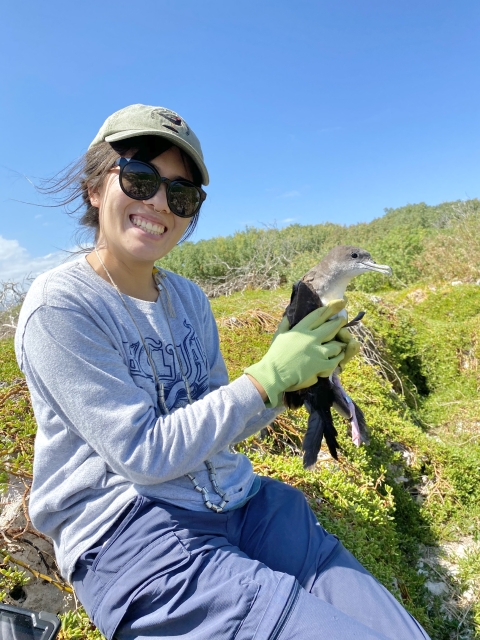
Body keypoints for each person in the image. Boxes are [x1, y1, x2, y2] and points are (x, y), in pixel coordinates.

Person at [15, 104, 430, 640]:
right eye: (140, 179)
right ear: (95, 187)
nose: (160, 203)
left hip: (243, 501)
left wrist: (296, 379)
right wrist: (266, 377)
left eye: (182, 194)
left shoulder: (188, 299)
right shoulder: (61, 308)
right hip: (135, 534)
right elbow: (144, 454)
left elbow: (219, 421)